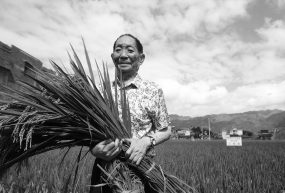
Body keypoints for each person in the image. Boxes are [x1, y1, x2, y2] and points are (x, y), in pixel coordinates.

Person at [90, 34, 171, 193]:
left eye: (130, 50)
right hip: (104, 169)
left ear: (141, 58)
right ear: (113, 57)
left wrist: (145, 142)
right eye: (118, 49)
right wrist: (94, 149)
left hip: (141, 169)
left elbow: (165, 130)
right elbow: (89, 130)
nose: (123, 55)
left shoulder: (152, 90)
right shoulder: (100, 90)